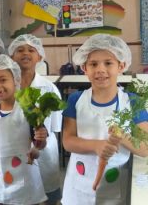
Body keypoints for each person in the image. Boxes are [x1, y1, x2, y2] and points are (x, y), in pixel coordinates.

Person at [62, 34, 148, 205]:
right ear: (84, 68)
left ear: (121, 66)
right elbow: (68, 141)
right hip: (79, 185)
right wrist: (96, 146)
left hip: (115, 186)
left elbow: (145, 148)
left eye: (108, 63)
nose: (100, 69)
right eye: (93, 64)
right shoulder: (75, 100)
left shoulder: (132, 102)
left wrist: (122, 136)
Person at [0, 54, 48, 204]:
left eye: (3, 80)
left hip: (22, 175)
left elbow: (39, 146)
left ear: (16, 80)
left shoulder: (28, 110)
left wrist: (41, 140)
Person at [8, 34, 62, 204]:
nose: (26, 53)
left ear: (39, 57)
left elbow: (54, 127)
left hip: (44, 154)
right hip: (13, 150)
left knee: (47, 197)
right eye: (20, 50)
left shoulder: (49, 88)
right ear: (11, 56)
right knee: (18, 195)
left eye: (31, 50)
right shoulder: (5, 86)